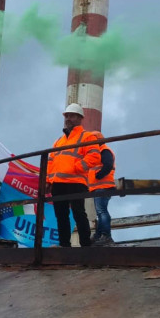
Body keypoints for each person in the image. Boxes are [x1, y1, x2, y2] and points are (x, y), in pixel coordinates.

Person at [47, 103, 102, 247]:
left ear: (80, 118)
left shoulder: (87, 137)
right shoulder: (59, 141)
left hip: (76, 183)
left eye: (71, 116)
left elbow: (95, 156)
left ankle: (85, 245)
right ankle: (64, 245)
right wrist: (48, 180)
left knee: (79, 213)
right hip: (58, 183)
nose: (68, 118)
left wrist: (76, 167)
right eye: (66, 116)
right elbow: (51, 161)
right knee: (61, 216)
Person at [87, 139, 116, 245]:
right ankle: (99, 235)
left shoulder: (103, 150)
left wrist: (98, 175)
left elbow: (108, 165)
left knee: (102, 211)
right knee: (101, 212)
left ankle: (106, 235)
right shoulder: (100, 151)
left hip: (103, 186)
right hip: (100, 187)